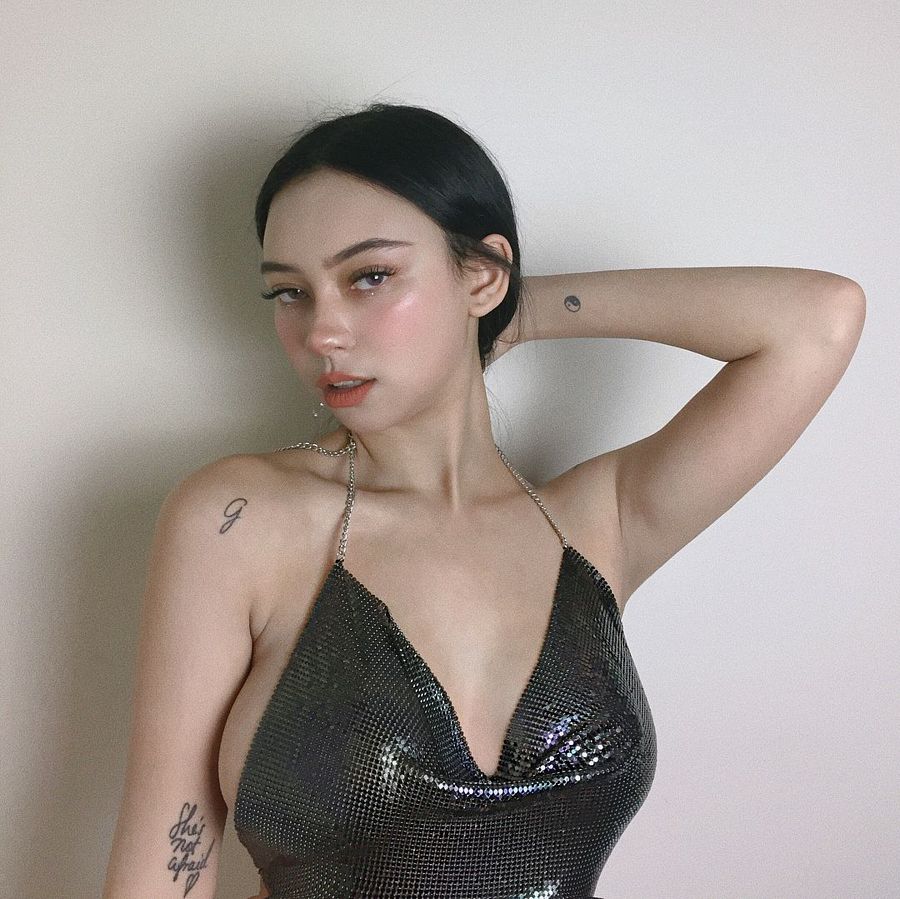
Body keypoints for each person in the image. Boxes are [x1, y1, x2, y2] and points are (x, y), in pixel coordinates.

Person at [101, 102, 865, 899]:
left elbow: (818, 319)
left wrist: (507, 310)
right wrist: (466, 306)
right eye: (290, 292)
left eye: (370, 277)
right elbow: (160, 869)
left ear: (482, 272)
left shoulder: (594, 526)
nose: (322, 331)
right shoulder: (241, 520)